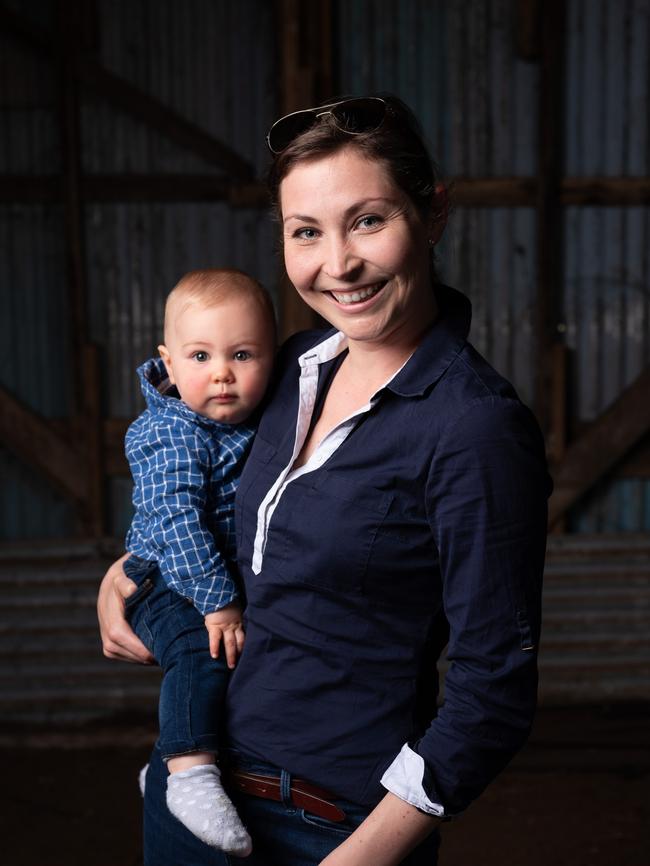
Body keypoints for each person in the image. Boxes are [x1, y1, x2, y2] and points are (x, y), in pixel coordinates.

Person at [99, 94, 552, 866]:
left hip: (332, 826)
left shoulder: (474, 428)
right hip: (194, 793)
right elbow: (211, 502)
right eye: (305, 232)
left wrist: (363, 857)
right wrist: (123, 573)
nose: (337, 264)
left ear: (433, 213)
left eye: (369, 220)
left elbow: (493, 691)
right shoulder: (289, 368)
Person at [122, 268, 276, 856]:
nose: (222, 373)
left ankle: (165, 760)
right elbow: (179, 525)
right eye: (200, 355)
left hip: (209, 573)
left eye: (243, 354)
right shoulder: (169, 433)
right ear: (167, 360)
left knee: (229, 666)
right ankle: (187, 775)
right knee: (197, 649)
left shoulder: (248, 419)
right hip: (166, 576)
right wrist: (219, 603)